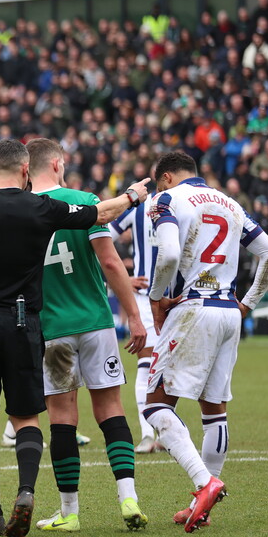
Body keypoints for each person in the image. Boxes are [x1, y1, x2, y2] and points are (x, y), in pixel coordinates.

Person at [0, 138, 150, 537]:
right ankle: (36, 491)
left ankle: (2, 513)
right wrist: (133, 195)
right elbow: (102, 216)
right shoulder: (46, 207)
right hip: (29, 321)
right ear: (27, 170)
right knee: (33, 416)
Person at [144, 152, 268, 532]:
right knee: (214, 410)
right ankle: (200, 505)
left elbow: (170, 253)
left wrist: (157, 298)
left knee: (155, 406)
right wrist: (247, 304)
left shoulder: (167, 199)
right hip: (227, 312)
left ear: (167, 177)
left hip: (192, 309)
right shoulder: (231, 204)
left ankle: (205, 483)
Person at [21, 138, 149, 533]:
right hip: (96, 323)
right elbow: (110, 262)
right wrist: (133, 315)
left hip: (52, 330)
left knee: (62, 417)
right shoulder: (86, 201)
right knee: (111, 408)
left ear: (27, 170)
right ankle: (128, 499)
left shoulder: (22, 211)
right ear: (58, 164)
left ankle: (69, 512)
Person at [110, 185, 167, 454]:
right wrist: (124, 277)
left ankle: (166, 432)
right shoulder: (138, 207)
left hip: (176, 299)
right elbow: (103, 236)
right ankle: (147, 434)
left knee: (169, 368)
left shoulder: (186, 203)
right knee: (147, 363)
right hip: (145, 297)